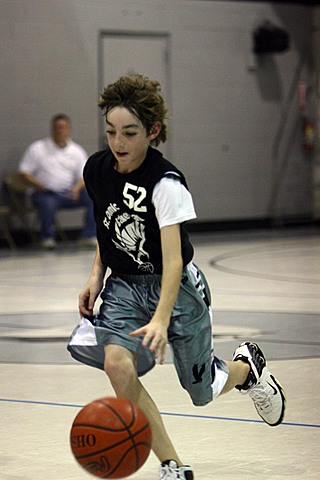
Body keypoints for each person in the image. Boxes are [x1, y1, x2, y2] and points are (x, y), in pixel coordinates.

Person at [67, 75, 286, 480]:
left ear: (152, 131)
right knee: (117, 365)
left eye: (130, 133)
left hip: (175, 289)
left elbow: (171, 262)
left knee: (201, 393)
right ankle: (172, 465)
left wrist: (162, 318)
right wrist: (96, 274)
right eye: (111, 131)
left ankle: (246, 369)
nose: (118, 142)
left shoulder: (166, 184)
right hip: (124, 286)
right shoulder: (97, 169)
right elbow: (107, 225)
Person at [18, 113, 96, 249]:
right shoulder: (38, 148)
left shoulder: (76, 151)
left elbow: (84, 175)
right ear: (52, 129)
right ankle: (47, 238)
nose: (60, 130)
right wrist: (39, 185)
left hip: (69, 192)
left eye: (63, 127)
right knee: (48, 203)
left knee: (94, 197)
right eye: (57, 127)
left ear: (69, 130)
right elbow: (24, 172)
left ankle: (88, 235)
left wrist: (77, 188)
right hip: (45, 192)